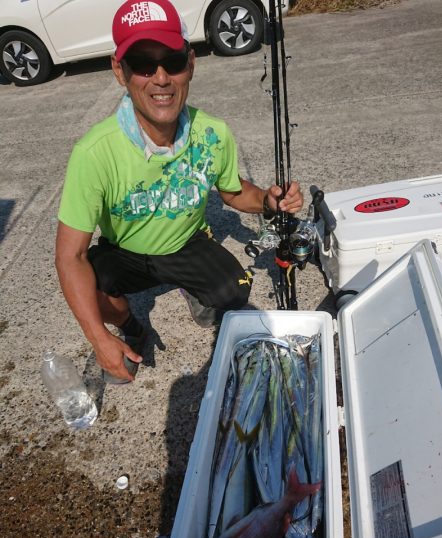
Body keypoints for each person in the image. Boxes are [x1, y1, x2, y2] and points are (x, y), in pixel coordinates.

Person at [55, 0, 304, 384]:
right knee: (95, 289)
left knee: (234, 293)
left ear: (191, 63)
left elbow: (234, 193)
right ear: (119, 72)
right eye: (142, 63)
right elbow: (69, 256)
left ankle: (192, 286)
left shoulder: (213, 132)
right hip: (125, 252)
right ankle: (128, 320)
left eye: (171, 60)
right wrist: (99, 337)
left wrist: (269, 201)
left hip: (187, 241)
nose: (160, 78)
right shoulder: (93, 152)